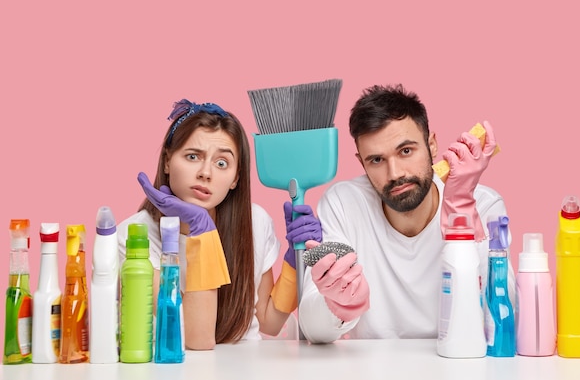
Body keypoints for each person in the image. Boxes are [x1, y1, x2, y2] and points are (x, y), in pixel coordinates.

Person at [291, 84, 514, 343]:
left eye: (406, 151)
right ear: (361, 162)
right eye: (376, 160)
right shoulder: (344, 204)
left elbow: (503, 322)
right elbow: (313, 330)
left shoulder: (482, 204)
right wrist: (339, 304)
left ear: (432, 145)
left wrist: (461, 210)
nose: (395, 173)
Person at [117, 99, 305, 350]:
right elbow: (196, 339)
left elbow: (269, 323)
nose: (206, 173)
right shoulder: (133, 236)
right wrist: (201, 230)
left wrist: (296, 260)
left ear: (235, 178)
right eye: (193, 156)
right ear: (167, 162)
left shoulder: (254, 222)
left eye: (221, 163)